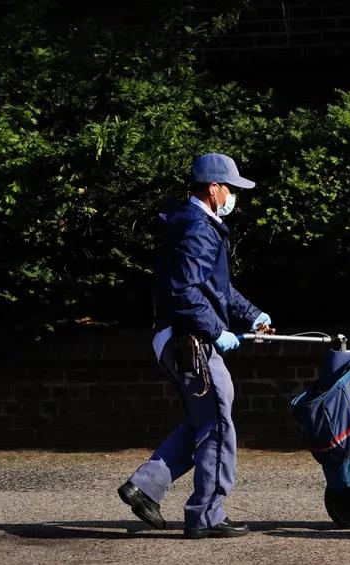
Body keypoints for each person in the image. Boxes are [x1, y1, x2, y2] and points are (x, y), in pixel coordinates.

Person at [118, 153, 272, 539]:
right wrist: (216, 330)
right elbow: (186, 291)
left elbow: (214, 288)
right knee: (218, 424)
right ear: (214, 188)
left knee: (204, 421)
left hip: (178, 337)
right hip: (191, 340)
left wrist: (252, 314)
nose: (235, 195)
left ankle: (145, 486)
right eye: (232, 189)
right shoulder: (199, 229)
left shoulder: (190, 223)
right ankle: (206, 515)